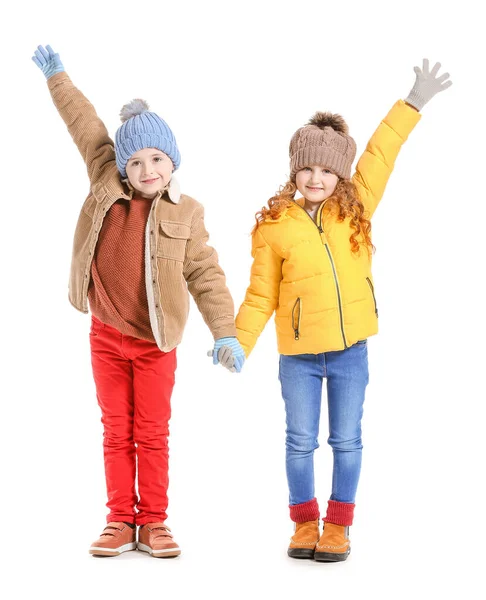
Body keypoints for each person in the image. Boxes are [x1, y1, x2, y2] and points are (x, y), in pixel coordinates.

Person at [32, 44, 245, 558]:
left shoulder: (187, 212)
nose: (147, 169)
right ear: (122, 165)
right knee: (114, 430)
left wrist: (226, 333)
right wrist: (57, 76)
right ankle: (118, 521)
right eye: (136, 160)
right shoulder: (106, 180)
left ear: (172, 162)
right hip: (106, 335)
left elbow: (206, 273)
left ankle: (153, 521)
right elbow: (83, 123)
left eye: (157, 159)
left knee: (151, 432)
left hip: (157, 342)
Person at [235, 59, 452, 561]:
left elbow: (381, 152)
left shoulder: (356, 206)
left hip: (352, 348)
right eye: (307, 167)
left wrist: (412, 102)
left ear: (339, 174)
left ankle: (339, 526)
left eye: (327, 169)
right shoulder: (274, 225)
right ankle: (304, 524)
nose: (316, 177)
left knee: (347, 440)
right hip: (299, 357)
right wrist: (237, 342)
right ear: (294, 169)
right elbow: (260, 293)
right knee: (299, 442)